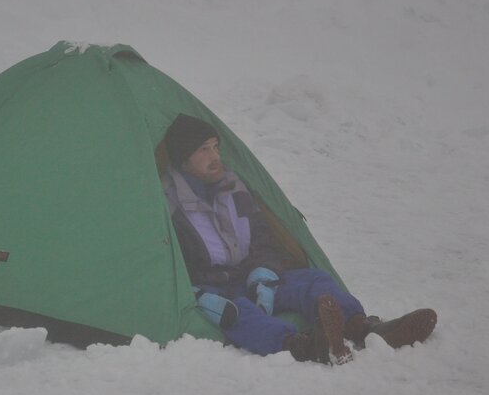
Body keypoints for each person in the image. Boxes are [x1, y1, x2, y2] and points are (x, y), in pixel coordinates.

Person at [161, 113, 437, 365]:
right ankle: (304, 346)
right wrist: (206, 291)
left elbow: (262, 236)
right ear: (183, 159)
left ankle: (364, 329)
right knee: (241, 315)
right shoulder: (169, 205)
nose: (215, 156)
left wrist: (263, 274)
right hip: (219, 290)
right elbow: (176, 264)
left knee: (315, 281)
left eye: (215, 147)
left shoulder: (233, 188)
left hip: (252, 277)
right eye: (203, 150)